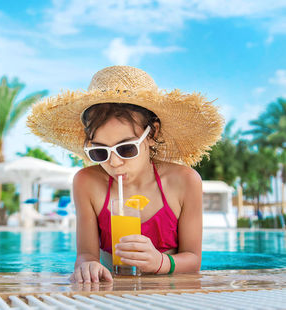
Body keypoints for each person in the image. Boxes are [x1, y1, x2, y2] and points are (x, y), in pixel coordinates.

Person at [27, 66, 223, 282]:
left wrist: (159, 262)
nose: (114, 162)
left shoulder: (185, 181)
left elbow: (194, 260)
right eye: (100, 151)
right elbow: (85, 256)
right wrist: (87, 266)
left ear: (152, 133)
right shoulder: (86, 182)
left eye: (126, 148)